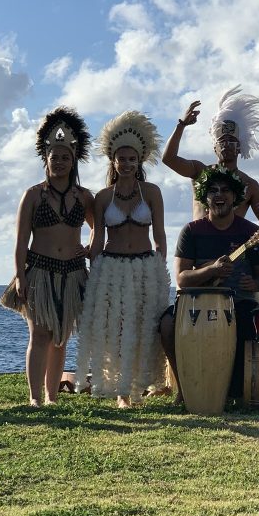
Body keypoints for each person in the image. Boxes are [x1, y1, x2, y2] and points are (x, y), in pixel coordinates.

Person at [0, 108, 94, 406]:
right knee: (39, 335)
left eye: (65, 157)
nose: (60, 162)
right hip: (39, 270)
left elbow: (98, 229)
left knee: (61, 338)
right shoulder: (32, 195)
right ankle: (35, 397)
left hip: (73, 272)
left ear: (73, 159)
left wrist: (90, 248)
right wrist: (20, 275)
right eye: (54, 157)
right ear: (46, 159)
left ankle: (52, 397)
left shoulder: (84, 196)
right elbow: (20, 241)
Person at [75, 110, 170, 407]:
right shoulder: (103, 197)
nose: (127, 164)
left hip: (145, 267)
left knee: (144, 327)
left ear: (139, 161)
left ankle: (141, 386)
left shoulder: (152, 192)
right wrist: (89, 257)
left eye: (132, 159)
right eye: (122, 159)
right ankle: (121, 392)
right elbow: (98, 236)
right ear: (113, 161)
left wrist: (159, 264)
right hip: (111, 268)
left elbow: (161, 234)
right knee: (116, 330)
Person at [159, 165, 259, 402]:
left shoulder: (250, 232)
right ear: (204, 197)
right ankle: (185, 387)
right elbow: (182, 278)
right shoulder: (191, 231)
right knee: (168, 323)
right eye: (213, 191)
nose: (219, 195)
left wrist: (256, 283)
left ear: (235, 196)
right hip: (197, 302)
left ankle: (237, 391)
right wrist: (211, 270)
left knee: (251, 323)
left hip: (238, 301)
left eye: (226, 190)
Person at [162, 86, 259, 222]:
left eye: (231, 140)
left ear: (239, 147)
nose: (226, 144)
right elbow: (168, 159)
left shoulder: (250, 185)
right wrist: (181, 125)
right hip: (198, 241)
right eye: (222, 140)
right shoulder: (199, 172)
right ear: (215, 147)